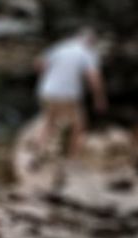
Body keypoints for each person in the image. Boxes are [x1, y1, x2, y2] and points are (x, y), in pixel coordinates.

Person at [35, 27, 108, 158]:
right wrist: (99, 99)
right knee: (79, 126)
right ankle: (72, 159)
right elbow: (94, 79)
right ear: (91, 41)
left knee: (49, 122)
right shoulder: (88, 53)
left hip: (47, 91)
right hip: (68, 95)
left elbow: (39, 64)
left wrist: (50, 76)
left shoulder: (60, 47)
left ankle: (38, 153)